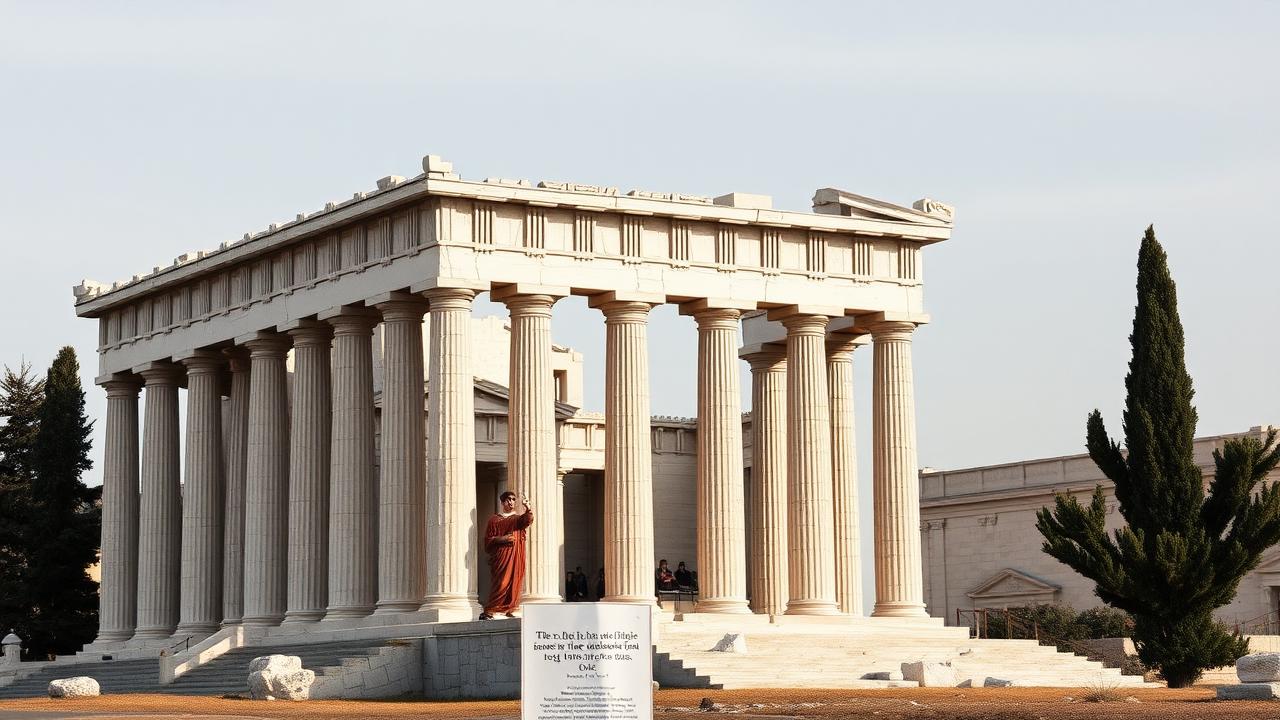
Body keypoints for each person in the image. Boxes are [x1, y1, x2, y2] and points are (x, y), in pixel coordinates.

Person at [480, 490, 533, 620]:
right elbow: (488, 540)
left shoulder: (516, 519)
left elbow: (527, 520)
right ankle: (492, 609)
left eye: (514, 499)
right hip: (501, 557)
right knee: (501, 582)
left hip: (515, 555)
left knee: (514, 581)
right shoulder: (494, 520)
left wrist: (528, 508)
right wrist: (502, 539)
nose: (511, 502)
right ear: (503, 502)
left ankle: (511, 608)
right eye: (508, 499)